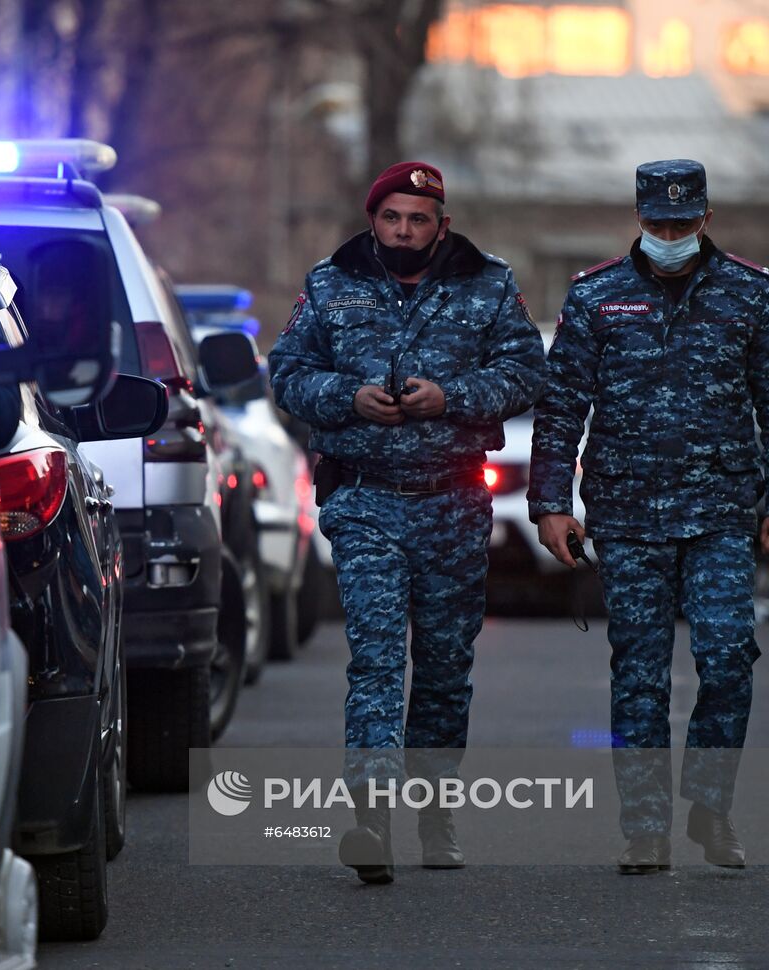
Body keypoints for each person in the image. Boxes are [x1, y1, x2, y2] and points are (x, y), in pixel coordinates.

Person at [528, 159, 769, 874]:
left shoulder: (751, 293)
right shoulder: (597, 297)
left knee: (726, 660)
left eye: (683, 224)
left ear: (706, 219)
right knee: (640, 676)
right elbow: (562, 409)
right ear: (639, 219)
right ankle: (645, 826)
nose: (671, 235)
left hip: (719, 510)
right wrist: (552, 504)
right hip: (627, 515)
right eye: (658, 223)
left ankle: (710, 807)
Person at [268, 161, 546, 883]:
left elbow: (525, 373)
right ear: (373, 219)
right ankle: (371, 817)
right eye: (392, 217)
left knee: (447, 667)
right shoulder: (331, 283)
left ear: (441, 224)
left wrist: (448, 396)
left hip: (454, 500)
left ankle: (434, 808)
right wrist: (347, 397)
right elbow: (287, 373)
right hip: (364, 498)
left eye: (418, 219)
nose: (403, 230)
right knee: (379, 655)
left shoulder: (486, 282)